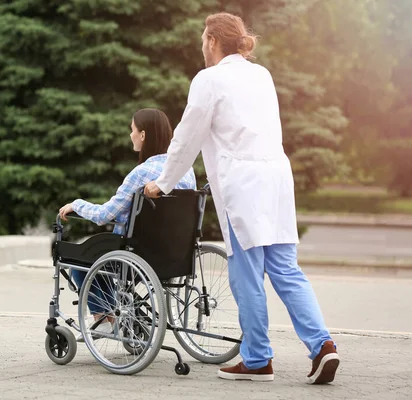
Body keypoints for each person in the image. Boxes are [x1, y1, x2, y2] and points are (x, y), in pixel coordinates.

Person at [144, 12, 340, 384]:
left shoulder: (209, 79)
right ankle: (322, 346)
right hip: (277, 182)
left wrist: (163, 182)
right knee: (286, 271)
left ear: (214, 41)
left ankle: (257, 359)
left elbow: (188, 137)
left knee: (246, 276)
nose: (201, 45)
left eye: (204, 38)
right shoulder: (261, 74)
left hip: (243, 185)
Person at [59, 108, 196, 338]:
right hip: (174, 256)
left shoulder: (141, 173)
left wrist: (78, 204)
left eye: (132, 130)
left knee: (81, 262)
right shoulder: (185, 170)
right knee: (101, 257)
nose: (130, 135)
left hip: (137, 255)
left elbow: (105, 214)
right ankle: (119, 314)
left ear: (143, 135)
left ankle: (104, 318)